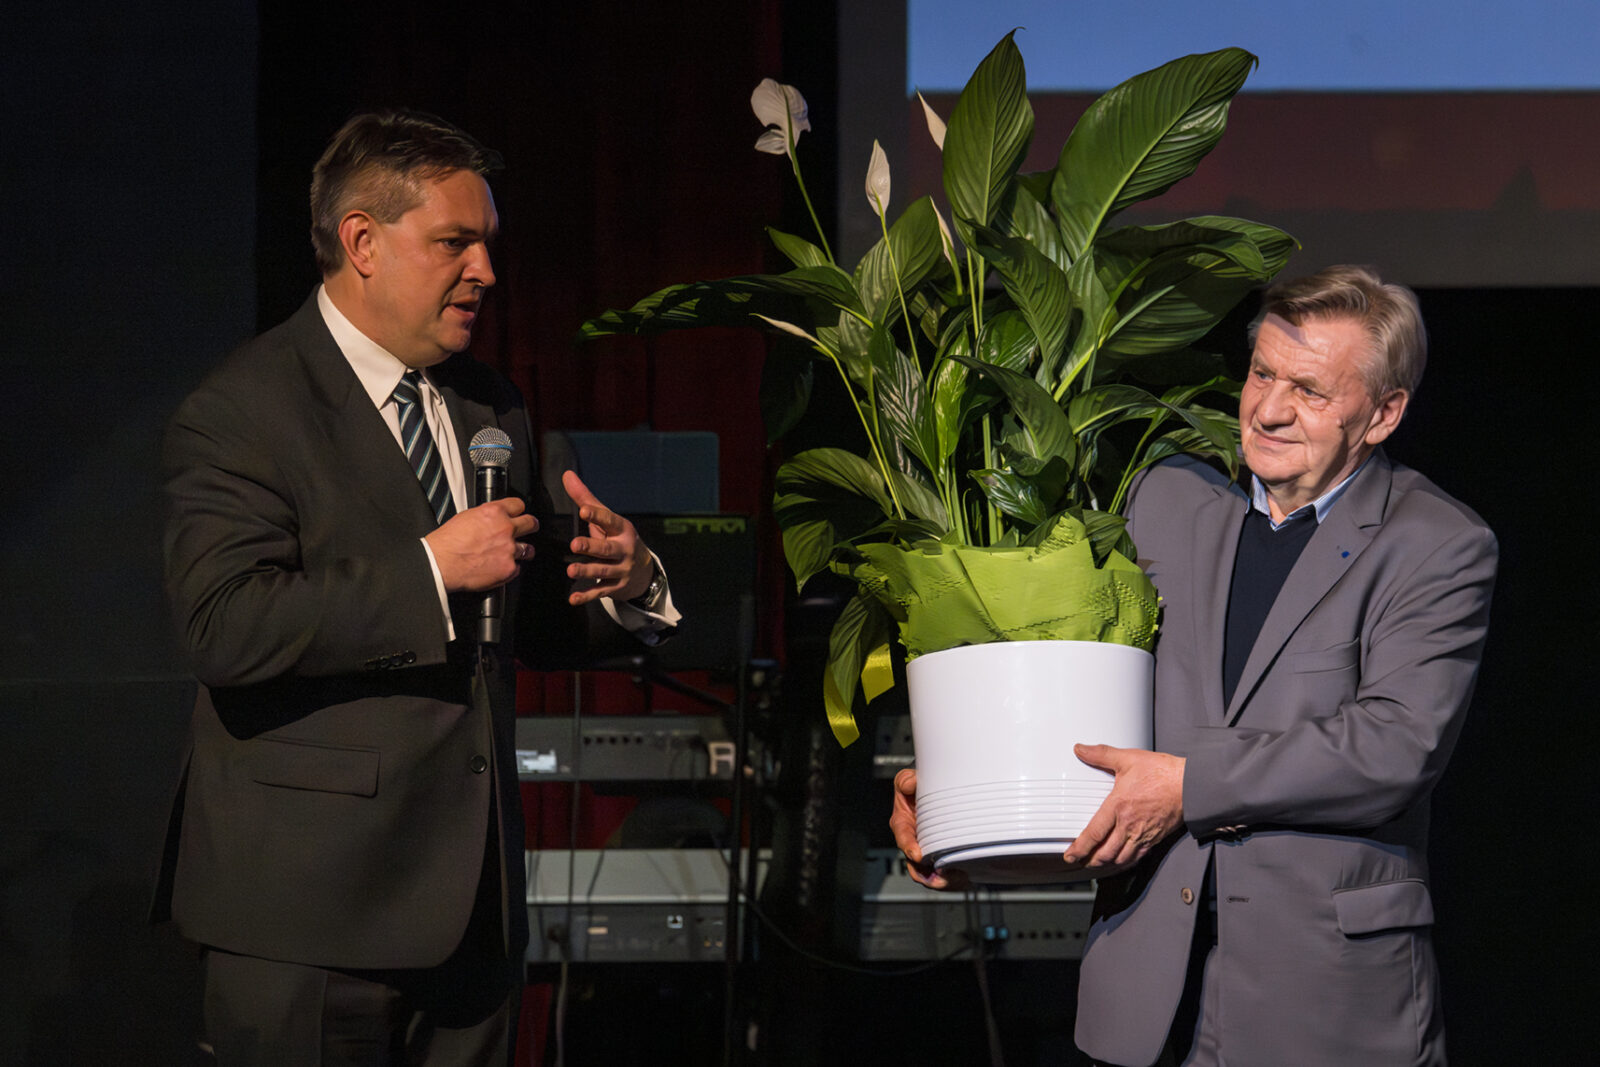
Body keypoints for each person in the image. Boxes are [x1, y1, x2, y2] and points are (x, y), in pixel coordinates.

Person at [154, 109, 679, 1065]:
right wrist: (431, 570)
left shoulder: (490, 404)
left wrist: (630, 584)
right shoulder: (242, 409)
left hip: (472, 917)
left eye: (487, 243)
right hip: (309, 920)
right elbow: (224, 624)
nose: (485, 270)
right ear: (361, 241)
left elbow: (519, 615)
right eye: (454, 242)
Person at [891, 266, 1496, 1065]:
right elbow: (1075, 674)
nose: (1268, 409)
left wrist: (1190, 784)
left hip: (1323, 1007)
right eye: (1262, 373)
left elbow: (1394, 746)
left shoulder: (1437, 544)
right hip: (1146, 1001)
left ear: (1383, 413)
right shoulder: (1164, 499)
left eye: (1309, 391)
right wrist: (964, 795)